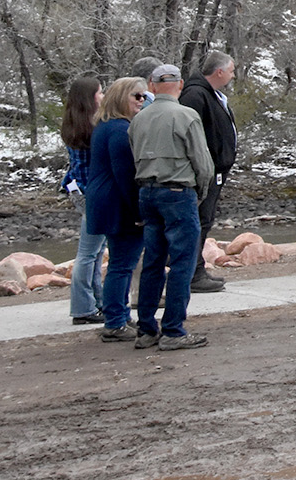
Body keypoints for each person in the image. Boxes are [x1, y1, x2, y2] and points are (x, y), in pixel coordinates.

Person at [128, 64, 215, 351]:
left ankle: (146, 329)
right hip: (178, 191)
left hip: (147, 192)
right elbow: (202, 163)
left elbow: (133, 156)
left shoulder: (138, 120)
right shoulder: (186, 116)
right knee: (182, 263)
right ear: (178, 86)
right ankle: (174, 330)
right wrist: (200, 193)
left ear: (152, 86)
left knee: (153, 260)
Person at [86, 77, 148, 342]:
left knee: (120, 263)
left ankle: (120, 317)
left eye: (143, 96)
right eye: (136, 96)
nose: (141, 101)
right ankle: (114, 322)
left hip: (105, 201)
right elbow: (125, 175)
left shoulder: (106, 126)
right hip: (116, 204)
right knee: (122, 264)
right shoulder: (119, 130)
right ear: (122, 97)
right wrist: (138, 212)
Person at [178, 52, 237, 294]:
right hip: (204, 171)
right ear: (219, 72)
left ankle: (196, 269)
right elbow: (191, 134)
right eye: (231, 71)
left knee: (204, 220)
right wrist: (203, 166)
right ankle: (193, 273)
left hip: (215, 168)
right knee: (199, 221)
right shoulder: (195, 95)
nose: (233, 75)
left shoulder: (210, 94)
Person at [60, 75, 106, 325]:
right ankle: (82, 308)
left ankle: (95, 302)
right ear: (90, 98)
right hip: (93, 194)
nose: (103, 96)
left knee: (97, 251)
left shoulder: (72, 124)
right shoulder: (93, 127)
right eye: (100, 92)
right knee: (88, 253)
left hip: (79, 191)